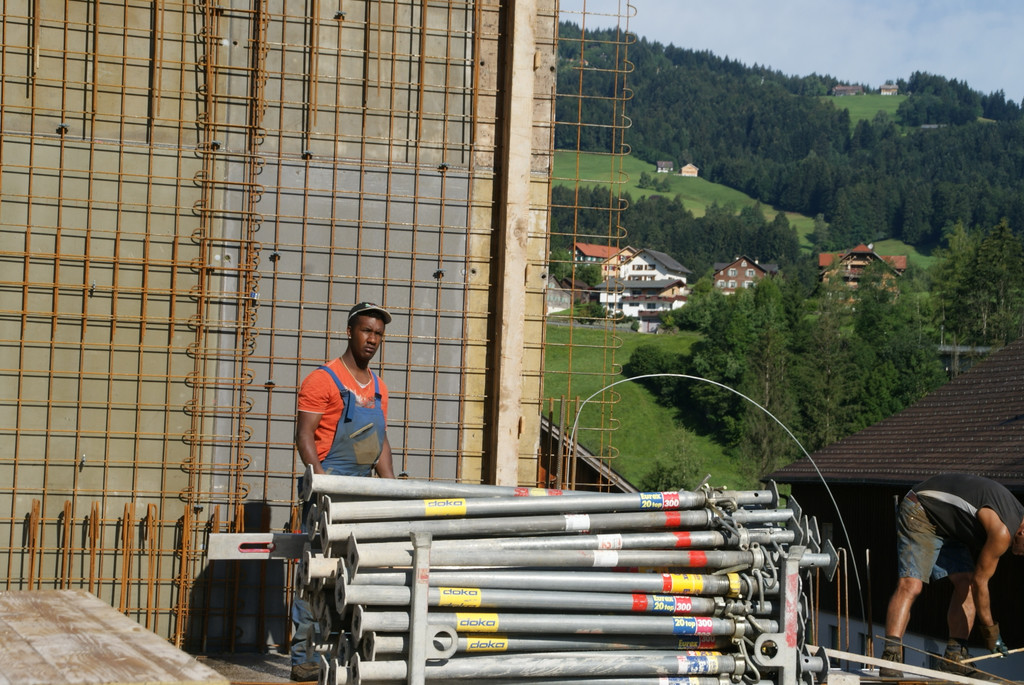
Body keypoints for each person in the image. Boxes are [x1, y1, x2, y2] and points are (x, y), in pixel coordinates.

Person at [289, 302, 396, 681]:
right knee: (316, 576)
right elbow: (304, 436)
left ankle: (345, 656)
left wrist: (391, 490)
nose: (372, 339)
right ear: (350, 331)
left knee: (356, 577)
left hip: (361, 494)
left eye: (378, 334)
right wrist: (320, 485)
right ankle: (303, 659)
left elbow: (379, 441)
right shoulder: (323, 380)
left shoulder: (378, 388)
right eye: (366, 330)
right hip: (327, 492)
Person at [880, 473, 1024, 676]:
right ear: (1022, 533)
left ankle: (954, 658)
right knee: (911, 584)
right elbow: (981, 582)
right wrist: (991, 633)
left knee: (967, 583)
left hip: (949, 524)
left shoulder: (1018, 515)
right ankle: (891, 657)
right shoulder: (1002, 532)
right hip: (921, 508)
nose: (1022, 555)